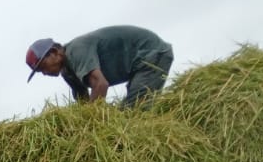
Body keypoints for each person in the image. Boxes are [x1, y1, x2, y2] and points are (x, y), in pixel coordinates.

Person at [26, 26, 173, 106]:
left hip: (151, 54)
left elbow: (100, 85)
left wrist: (92, 126)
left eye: (42, 67)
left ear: (54, 52)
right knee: (126, 111)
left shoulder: (76, 51)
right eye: (39, 71)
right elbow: (84, 102)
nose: (44, 73)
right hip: (138, 66)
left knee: (134, 110)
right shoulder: (67, 72)